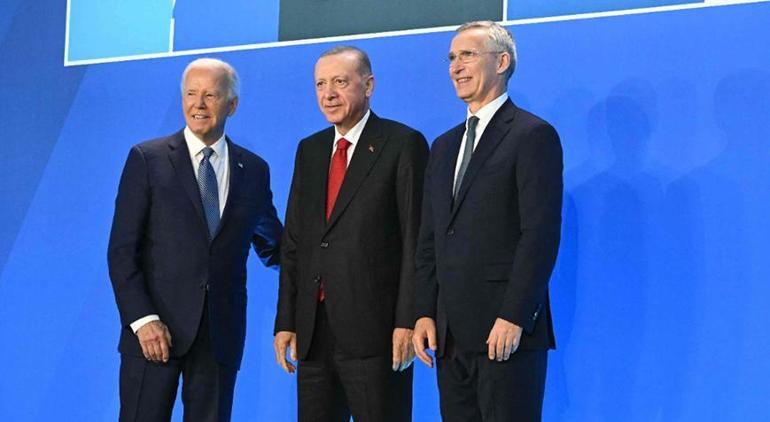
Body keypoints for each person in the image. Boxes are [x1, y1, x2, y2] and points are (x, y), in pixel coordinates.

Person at [107, 58, 282, 421]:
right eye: (191, 94)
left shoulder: (254, 170)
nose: (198, 104)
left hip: (219, 338)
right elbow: (122, 251)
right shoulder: (147, 159)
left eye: (210, 95)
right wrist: (142, 319)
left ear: (232, 105)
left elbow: (275, 246)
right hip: (154, 333)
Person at [412, 21, 563, 422]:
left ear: (501, 62)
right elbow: (430, 237)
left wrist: (515, 315)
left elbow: (540, 235)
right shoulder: (443, 146)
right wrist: (423, 311)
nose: (456, 66)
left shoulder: (532, 135)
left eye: (467, 55)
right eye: (451, 57)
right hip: (449, 337)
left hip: (506, 332)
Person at [273, 46, 429, 422]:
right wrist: (287, 320)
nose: (328, 94)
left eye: (340, 82)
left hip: (377, 332)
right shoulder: (309, 151)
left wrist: (407, 319)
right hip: (314, 332)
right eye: (320, 84)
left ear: (368, 85)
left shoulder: (402, 144)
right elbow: (295, 243)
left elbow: (416, 240)